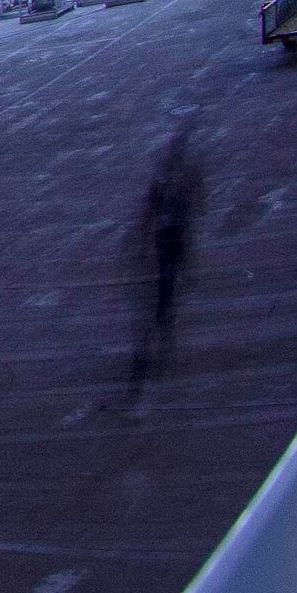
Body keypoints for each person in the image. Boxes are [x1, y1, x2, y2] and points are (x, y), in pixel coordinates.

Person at [125, 124, 205, 399]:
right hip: (169, 246)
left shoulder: (167, 183)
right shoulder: (178, 183)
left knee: (159, 298)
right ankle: (158, 339)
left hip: (165, 246)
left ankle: (155, 340)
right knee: (162, 299)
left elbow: (149, 215)